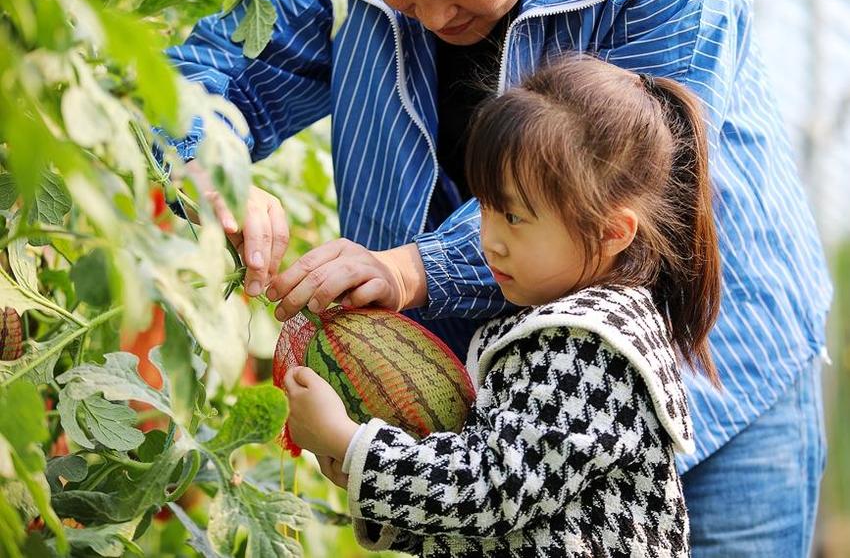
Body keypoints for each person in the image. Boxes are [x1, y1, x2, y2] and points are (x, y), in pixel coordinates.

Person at [160, 0, 831, 554]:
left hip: (718, 376)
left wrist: (414, 269)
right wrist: (211, 164)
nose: (432, 13)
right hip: (491, 407)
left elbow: (644, 188)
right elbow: (199, 72)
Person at [283, 54, 720, 556]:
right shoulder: (550, 324)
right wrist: (366, 478)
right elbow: (507, 519)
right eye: (486, 208)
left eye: (513, 216)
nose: (489, 239)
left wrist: (350, 443)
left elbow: (492, 491)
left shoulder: (592, 349)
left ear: (611, 232)